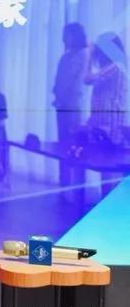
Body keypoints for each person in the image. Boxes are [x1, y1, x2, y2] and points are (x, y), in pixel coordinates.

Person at [52, 23, 88, 185]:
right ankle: (64, 181)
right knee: (63, 144)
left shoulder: (84, 55)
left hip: (74, 106)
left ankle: (78, 184)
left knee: (76, 144)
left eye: (67, 34)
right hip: (61, 105)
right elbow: (58, 80)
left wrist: (66, 96)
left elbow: (78, 83)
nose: (63, 38)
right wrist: (58, 96)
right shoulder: (65, 57)